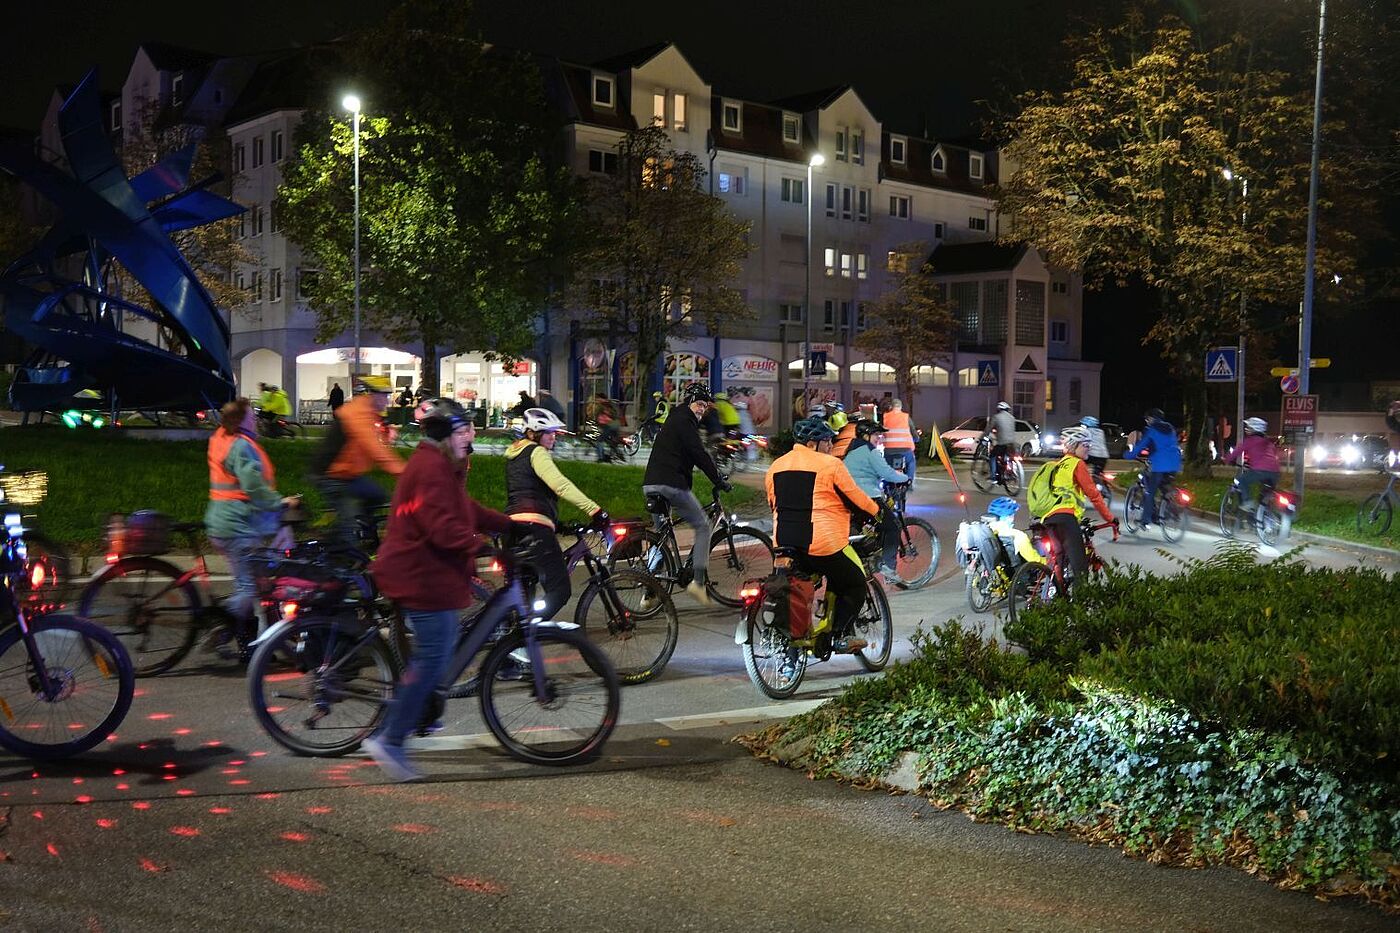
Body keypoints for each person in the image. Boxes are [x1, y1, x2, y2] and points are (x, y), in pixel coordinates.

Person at [364, 399, 512, 782]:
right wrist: (481, 545)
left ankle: (421, 712)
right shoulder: (430, 468)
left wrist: (511, 524)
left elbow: (465, 508)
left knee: (438, 655)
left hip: (429, 575)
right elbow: (442, 526)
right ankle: (390, 739)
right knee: (432, 660)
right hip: (419, 576)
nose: (469, 438)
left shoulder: (439, 465)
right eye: (463, 431)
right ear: (446, 434)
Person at [766, 417, 880, 652]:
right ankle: (839, 635)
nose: (830, 446)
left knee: (794, 586)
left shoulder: (775, 466)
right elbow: (856, 499)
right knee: (854, 584)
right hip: (821, 544)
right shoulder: (830, 465)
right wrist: (877, 513)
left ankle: (793, 642)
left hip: (784, 544)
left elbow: (773, 503)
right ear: (811, 444)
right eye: (826, 441)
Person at [204, 398, 293, 656]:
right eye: (252, 417)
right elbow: (253, 486)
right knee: (249, 587)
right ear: (242, 420)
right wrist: (279, 502)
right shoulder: (242, 447)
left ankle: (249, 645)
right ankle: (220, 626)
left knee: (247, 582)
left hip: (220, 523)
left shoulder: (221, 438)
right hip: (237, 527)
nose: (255, 420)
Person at [505, 408, 608, 618]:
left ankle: (516, 633)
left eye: (554, 432)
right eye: (548, 432)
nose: (553, 437)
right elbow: (560, 485)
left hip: (512, 528)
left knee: (525, 591)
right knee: (559, 591)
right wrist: (595, 510)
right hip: (534, 530)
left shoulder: (514, 456)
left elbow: (527, 494)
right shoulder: (536, 452)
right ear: (533, 434)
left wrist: (557, 523)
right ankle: (527, 634)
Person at [643, 382, 731, 605]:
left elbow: (689, 456)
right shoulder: (685, 422)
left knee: (662, 538)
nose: (702, 409)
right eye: (699, 404)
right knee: (702, 526)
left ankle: (648, 591)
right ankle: (698, 584)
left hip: (651, 484)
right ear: (689, 402)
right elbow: (699, 454)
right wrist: (718, 479)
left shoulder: (676, 419)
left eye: (705, 406)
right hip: (670, 484)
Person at [309, 374, 405, 552]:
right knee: (349, 522)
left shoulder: (370, 414)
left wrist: (386, 433)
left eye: (388, 395)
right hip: (330, 475)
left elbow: (376, 442)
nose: (387, 400)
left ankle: (365, 534)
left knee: (378, 496)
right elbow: (375, 448)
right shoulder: (357, 414)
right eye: (383, 396)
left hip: (349, 475)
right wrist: (406, 473)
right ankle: (341, 558)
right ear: (371, 395)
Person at [1032, 425, 1117, 581]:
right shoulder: (1077, 464)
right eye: (1085, 445)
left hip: (1047, 518)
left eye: (1089, 445)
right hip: (1065, 518)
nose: (1088, 449)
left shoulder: (1057, 465)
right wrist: (1110, 519)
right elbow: (1094, 496)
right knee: (1080, 570)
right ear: (1073, 445)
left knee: (1060, 560)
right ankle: (1077, 601)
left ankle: (1054, 592)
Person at [841, 418, 908, 581]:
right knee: (892, 526)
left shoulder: (851, 449)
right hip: (867, 497)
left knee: (860, 528)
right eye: (876, 434)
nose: (879, 438)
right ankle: (889, 568)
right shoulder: (870, 451)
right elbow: (887, 473)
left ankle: (865, 556)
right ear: (865, 436)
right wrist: (905, 478)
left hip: (849, 497)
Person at [1129, 408, 1183, 528]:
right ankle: (1167, 510)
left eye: (1147, 419)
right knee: (1165, 486)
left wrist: (1129, 455)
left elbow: (1141, 445)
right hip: (1175, 463)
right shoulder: (1170, 428)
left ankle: (1145, 521)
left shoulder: (1151, 430)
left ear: (1152, 418)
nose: (1147, 421)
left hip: (1159, 464)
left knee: (1150, 492)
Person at [1223, 417, 1282, 513]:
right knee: (1265, 494)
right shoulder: (1268, 442)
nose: (1246, 429)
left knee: (1240, 480)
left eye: (1248, 427)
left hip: (1259, 471)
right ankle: (1263, 513)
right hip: (1275, 473)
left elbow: (1237, 451)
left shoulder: (1250, 440)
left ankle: (1248, 502)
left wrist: (1226, 459)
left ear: (1254, 429)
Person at [882, 398, 918, 485]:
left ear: (891, 407)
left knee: (887, 465)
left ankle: (887, 483)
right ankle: (909, 481)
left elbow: (881, 430)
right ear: (901, 407)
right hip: (904, 450)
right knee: (911, 462)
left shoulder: (885, 417)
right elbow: (913, 431)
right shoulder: (905, 417)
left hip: (888, 449)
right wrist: (916, 438)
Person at [988, 401, 1016, 481]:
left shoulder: (996, 417)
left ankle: (993, 477)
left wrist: (982, 437)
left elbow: (988, 429)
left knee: (992, 456)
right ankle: (1011, 472)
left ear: (998, 409)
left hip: (1001, 443)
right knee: (1007, 457)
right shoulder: (1012, 418)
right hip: (1012, 443)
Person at [592, 394, 621, 461]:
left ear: (602, 399)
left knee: (600, 440)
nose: (597, 400)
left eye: (598, 399)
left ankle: (601, 458)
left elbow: (599, 416)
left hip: (610, 425)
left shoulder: (604, 406)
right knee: (611, 440)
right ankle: (613, 453)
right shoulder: (608, 405)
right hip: (614, 425)